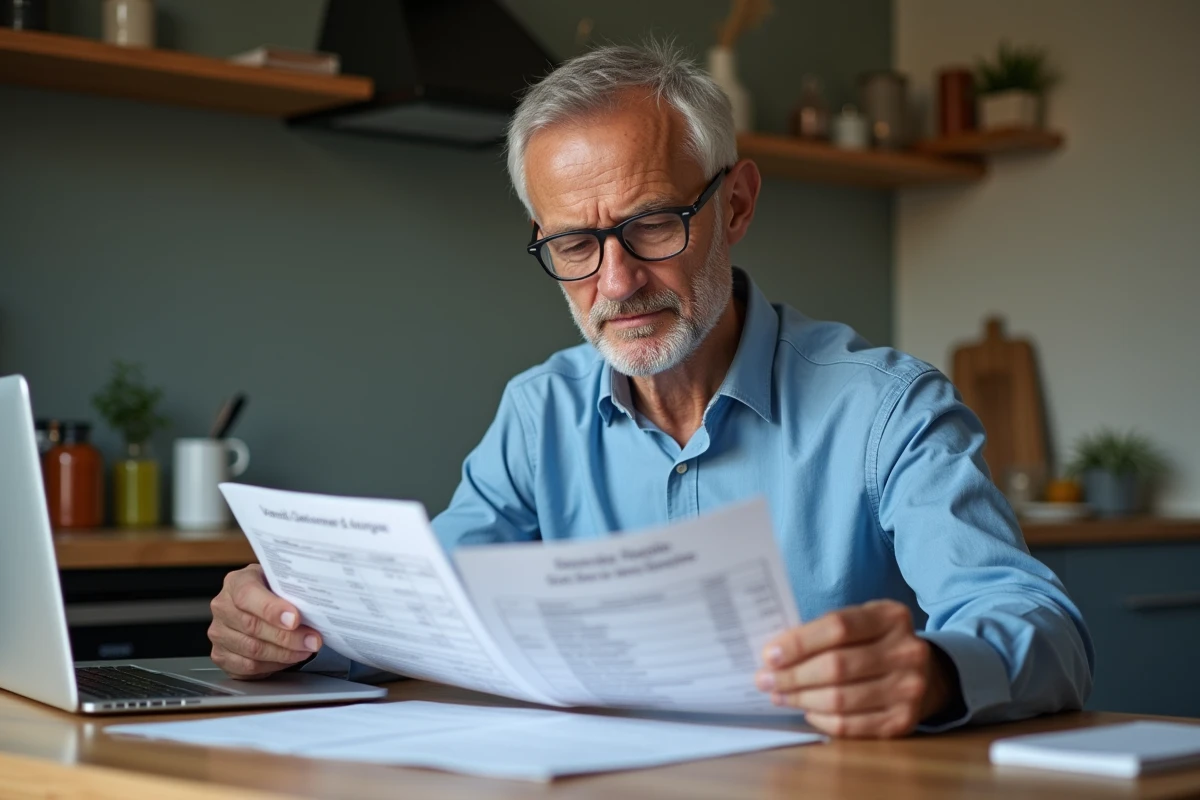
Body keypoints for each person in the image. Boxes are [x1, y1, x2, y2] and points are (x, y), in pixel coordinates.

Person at [207, 40, 1093, 739]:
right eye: (574, 245)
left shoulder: (886, 411)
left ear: (736, 206)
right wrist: (291, 630)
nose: (616, 281)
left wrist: (935, 671)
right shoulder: (537, 415)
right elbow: (426, 614)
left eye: (652, 224)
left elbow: (1041, 628)